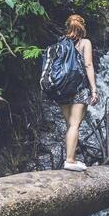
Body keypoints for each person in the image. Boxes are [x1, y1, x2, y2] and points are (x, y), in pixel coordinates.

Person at [43, 14, 99, 171]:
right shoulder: (84, 42)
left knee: (70, 125)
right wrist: (94, 89)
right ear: (82, 26)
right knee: (75, 125)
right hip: (78, 89)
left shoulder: (60, 43)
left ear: (68, 26)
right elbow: (88, 64)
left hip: (62, 89)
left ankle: (70, 158)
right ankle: (70, 160)